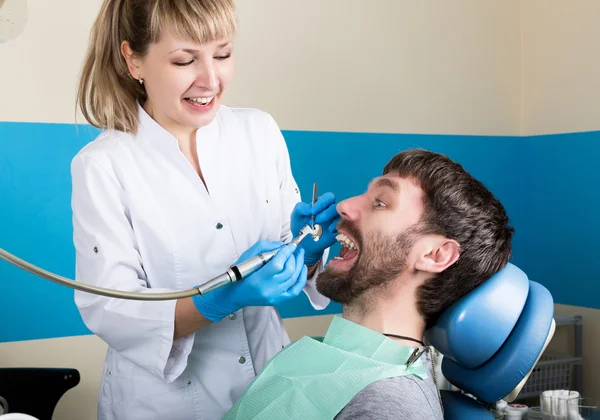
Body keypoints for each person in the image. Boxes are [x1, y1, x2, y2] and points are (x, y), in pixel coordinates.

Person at [70, 0, 340, 419]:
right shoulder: (103, 165)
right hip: (164, 404)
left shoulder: (258, 132)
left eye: (223, 54)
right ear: (133, 59)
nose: (210, 79)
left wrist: (305, 255)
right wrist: (217, 301)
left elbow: (284, 256)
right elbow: (111, 308)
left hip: (269, 386)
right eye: (184, 60)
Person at [224, 149, 514, 420]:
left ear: (435, 255)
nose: (344, 206)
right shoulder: (326, 354)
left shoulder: (387, 403)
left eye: (381, 203)